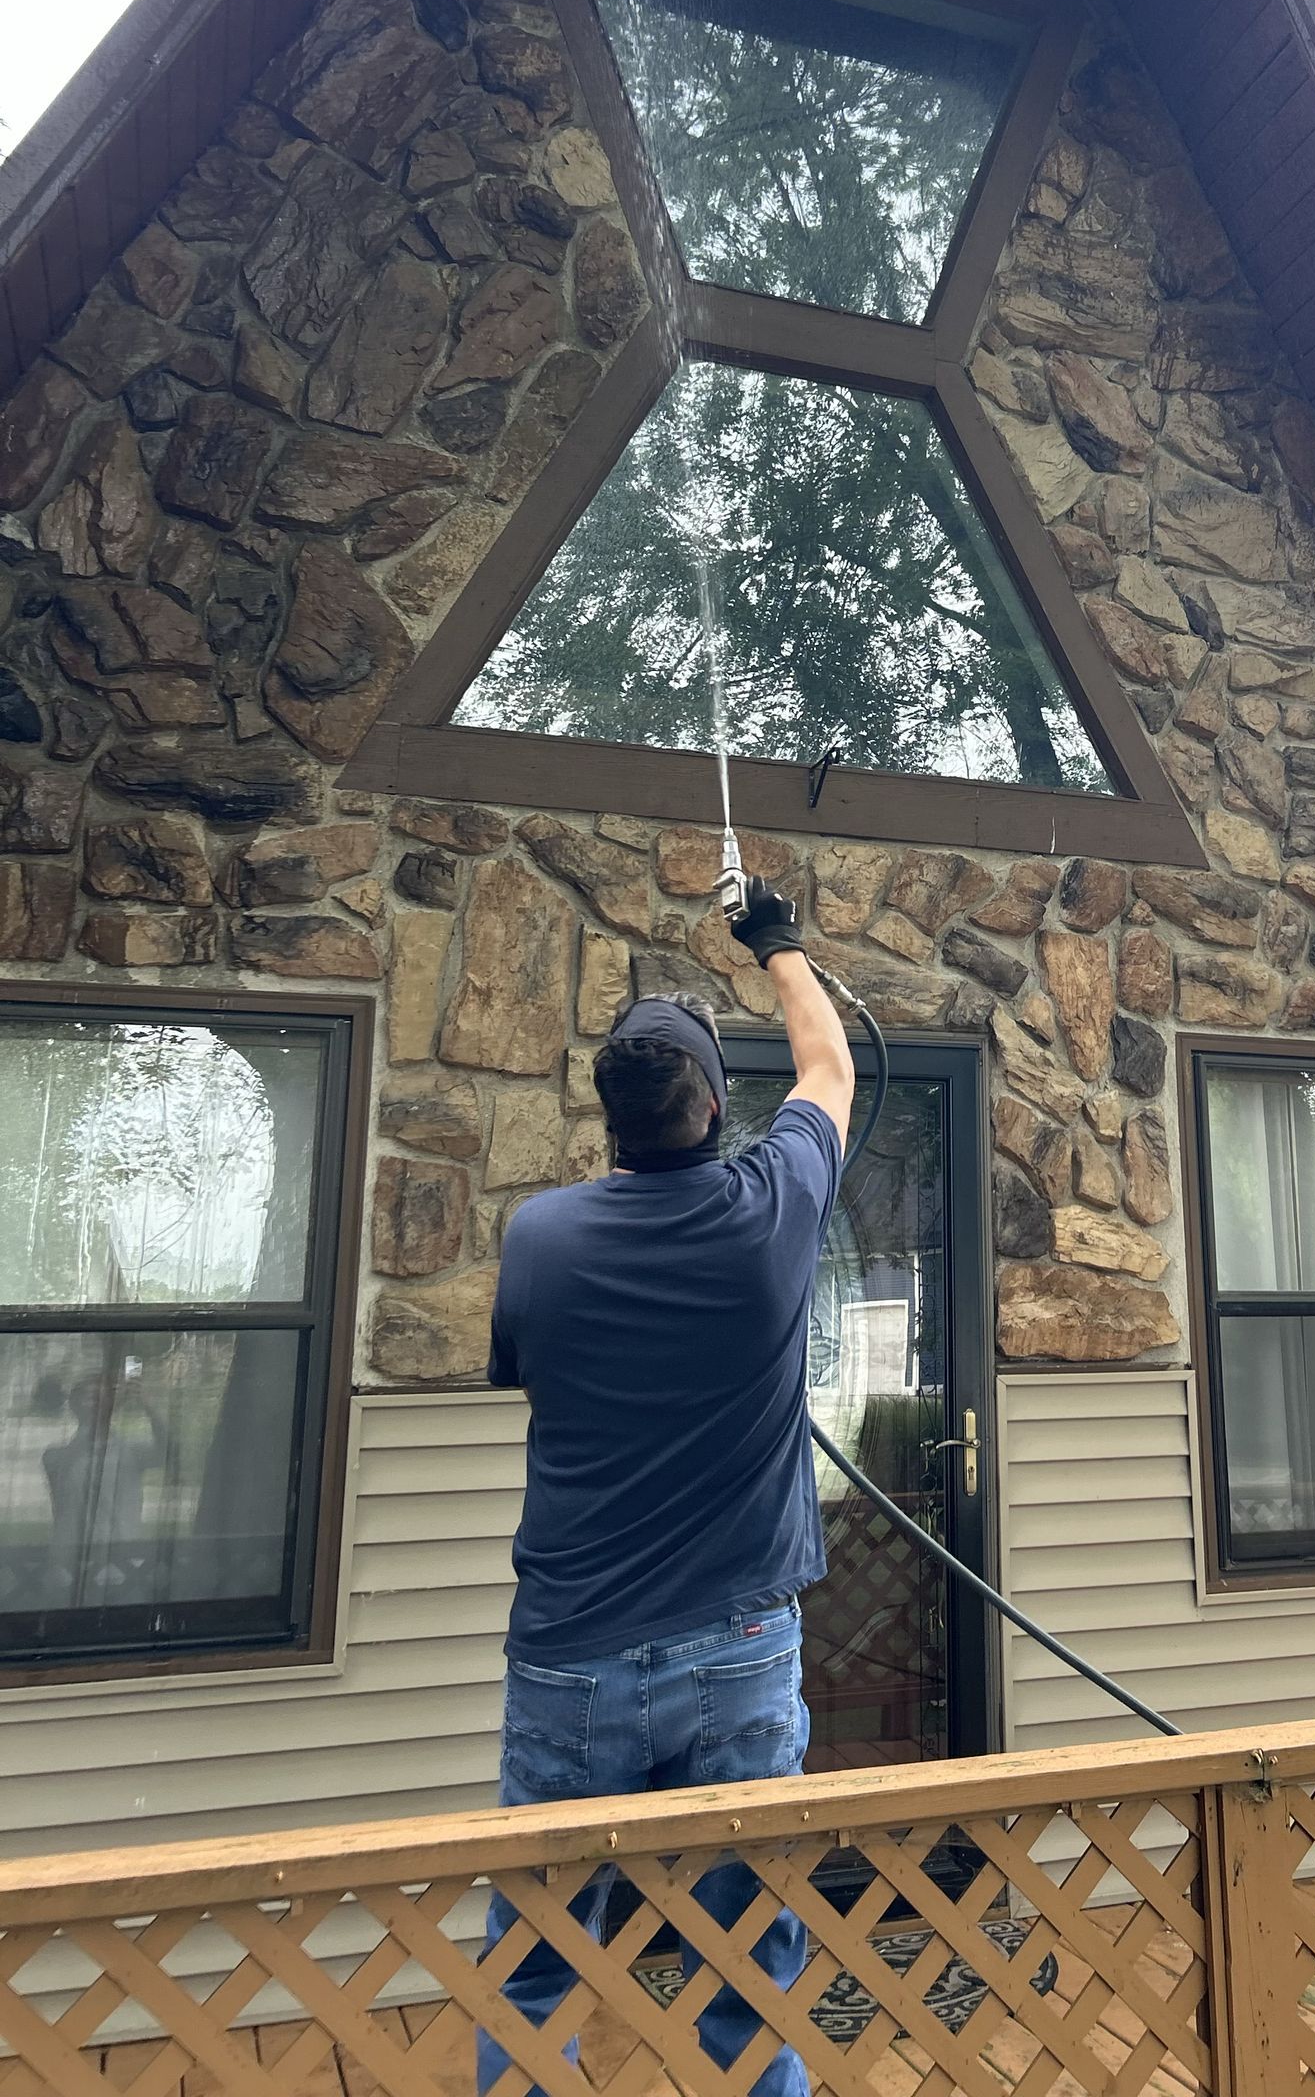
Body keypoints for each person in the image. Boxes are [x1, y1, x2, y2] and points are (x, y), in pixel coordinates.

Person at [478, 875, 854, 2097]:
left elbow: (524, 1374)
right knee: (745, 1968)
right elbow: (829, 1068)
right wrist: (776, 942)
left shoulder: (540, 1237)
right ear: (715, 1108)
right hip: (738, 1650)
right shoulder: (767, 1210)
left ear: (612, 1124)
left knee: (533, 1968)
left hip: (570, 1661)